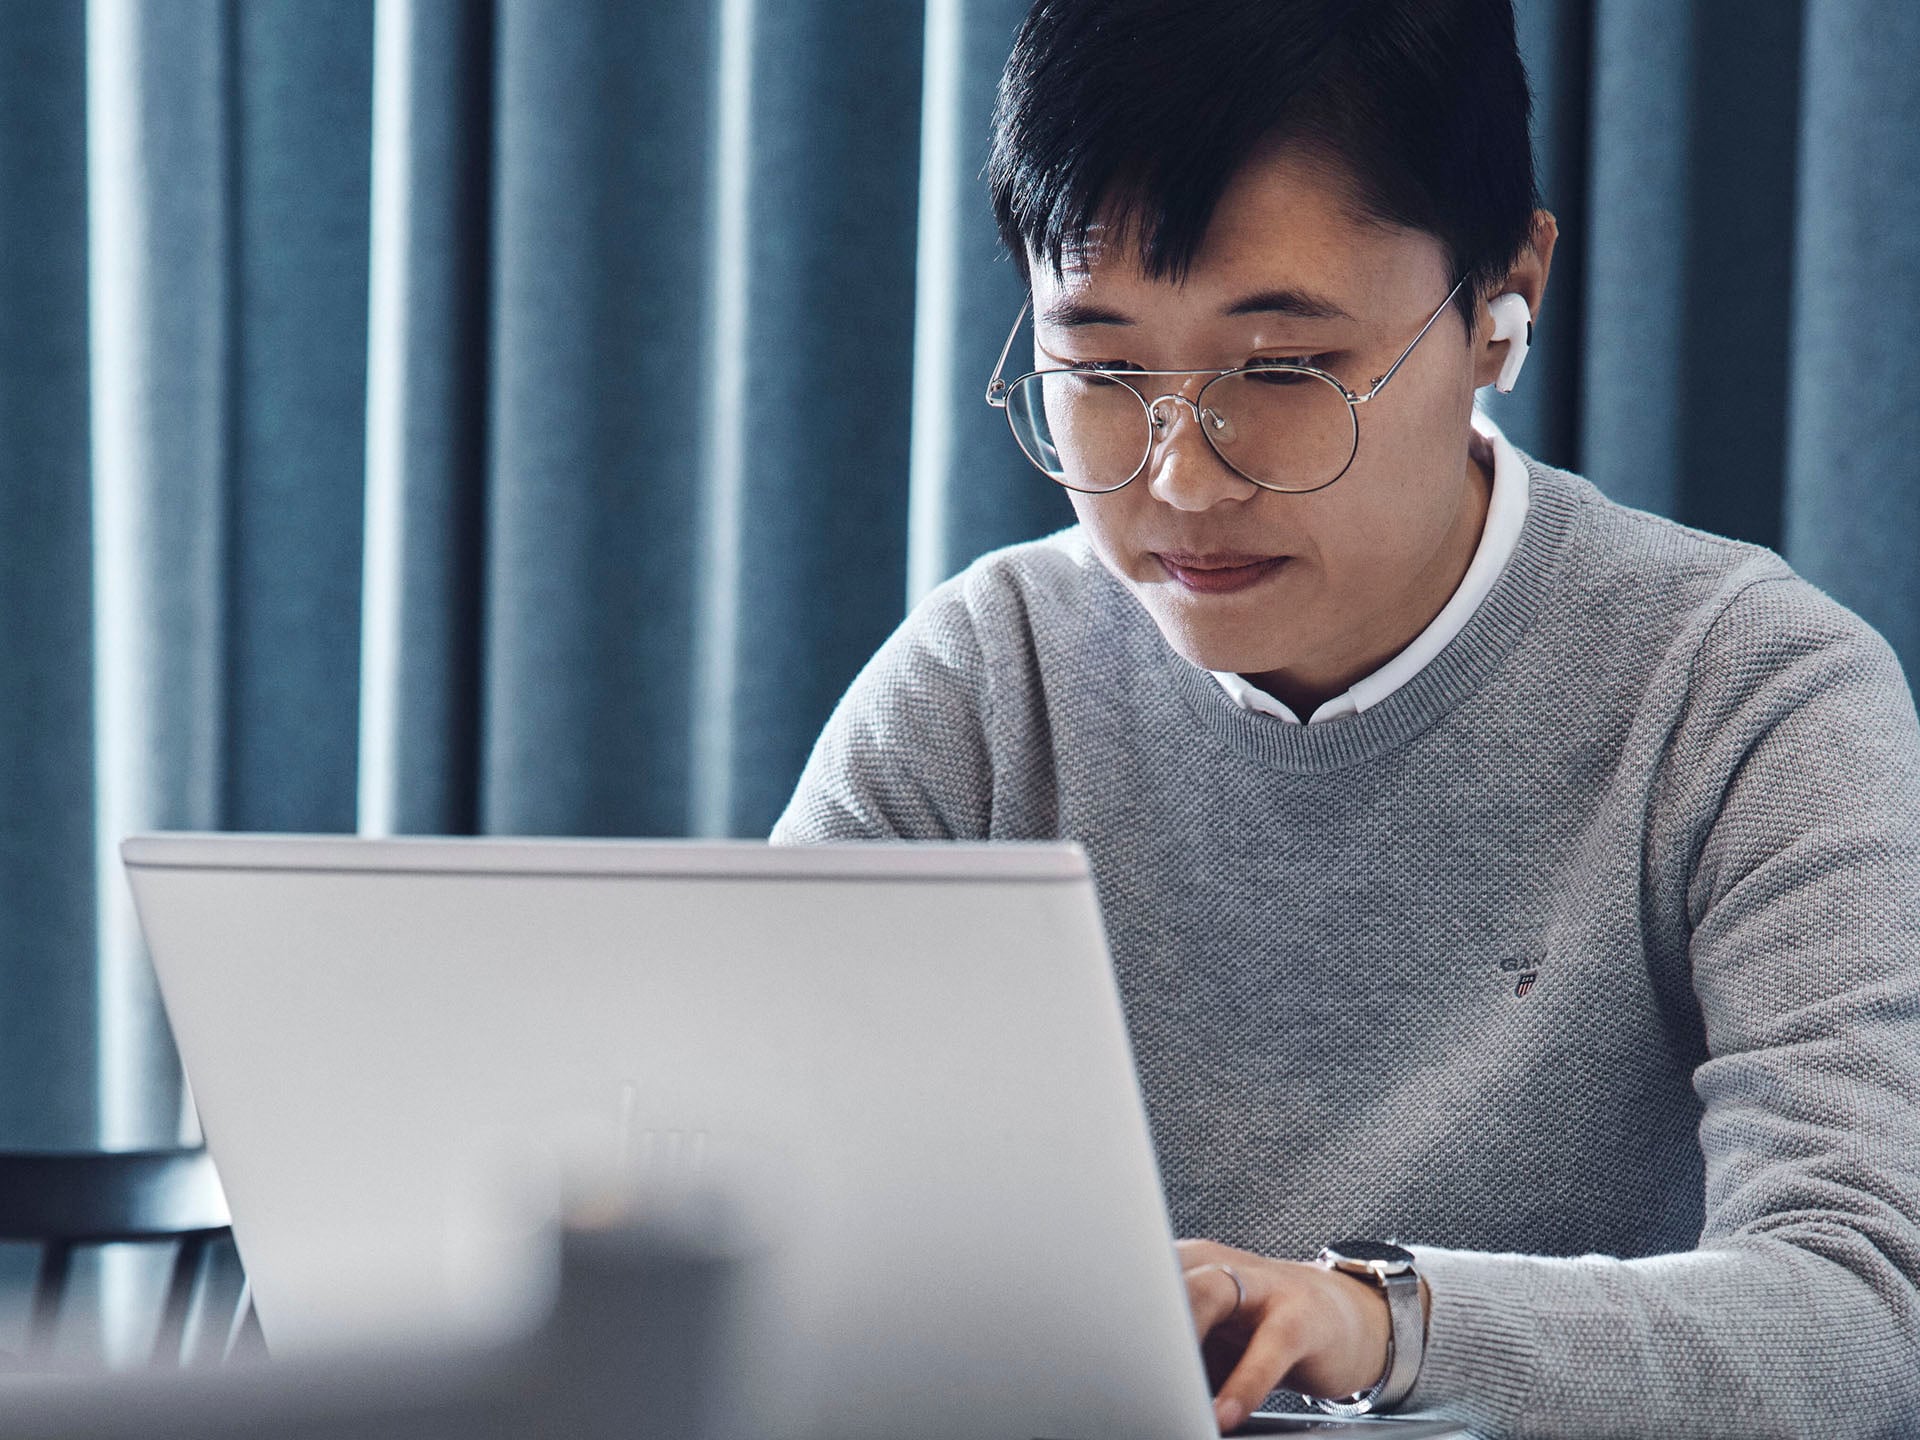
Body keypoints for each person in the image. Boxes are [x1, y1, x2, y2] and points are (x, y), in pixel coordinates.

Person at [772, 2, 1920, 1434]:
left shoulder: (1745, 691)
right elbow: (739, 1195)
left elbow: (1864, 1311)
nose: (1183, 482)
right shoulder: (983, 680)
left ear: (1506, 300)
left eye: (1280, 372)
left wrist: (1377, 1323)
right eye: (1107, 375)